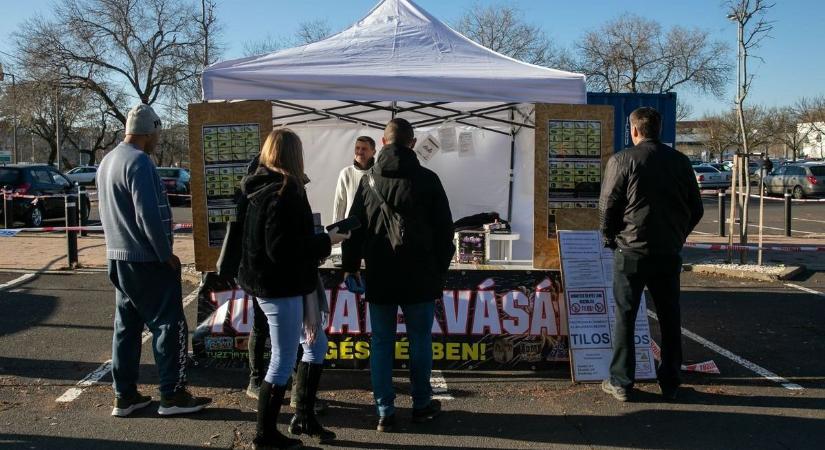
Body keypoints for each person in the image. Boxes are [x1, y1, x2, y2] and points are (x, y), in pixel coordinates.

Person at [237, 128, 348, 449]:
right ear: (293, 155)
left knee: (315, 345)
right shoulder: (283, 191)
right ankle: (265, 434)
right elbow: (281, 249)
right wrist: (327, 240)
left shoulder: (262, 187)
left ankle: (303, 416)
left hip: (282, 283)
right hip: (280, 286)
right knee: (283, 360)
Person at [98, 103, 211, 417]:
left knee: (126, 327)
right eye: (158, 133)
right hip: (146, 259)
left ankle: (125, 394)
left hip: (117, 257)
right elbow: (148, 214)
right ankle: (172, 395)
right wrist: (165, 255)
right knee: (169, 324)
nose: (158, 139)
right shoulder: (140, 163)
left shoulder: (107, 161)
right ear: (150, 132)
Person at [342, 118, 455, 432]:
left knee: (381, 344)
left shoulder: (369, 181)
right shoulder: (428, 179)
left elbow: (354, 229)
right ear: (413, 142)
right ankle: (421, 405)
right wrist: (438, 272)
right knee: (419, 341)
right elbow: (446, 234)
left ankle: (384, 411)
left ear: (383, 141)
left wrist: (350, 266)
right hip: (420, 276)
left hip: (381, 274)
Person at [598, 107, 704, 402]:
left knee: (625, 317)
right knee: (670, 318)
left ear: (633, 130)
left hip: (631, 251)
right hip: (667, 253)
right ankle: (670, 380)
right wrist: (677, 236)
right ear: (659, 129)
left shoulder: (622, 160)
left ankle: (621, 381)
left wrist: (610, 238)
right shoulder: (680, 162)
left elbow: (608, 207)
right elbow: (696, 208)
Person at [332, 136, 377, 222]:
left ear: (373, 152)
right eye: (357, 148)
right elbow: (339, 205)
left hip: (374, 229)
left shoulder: (379, 173)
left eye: (364, 149)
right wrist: (336, 229)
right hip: (352, 229)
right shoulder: (346, 173)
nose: (359, 152)